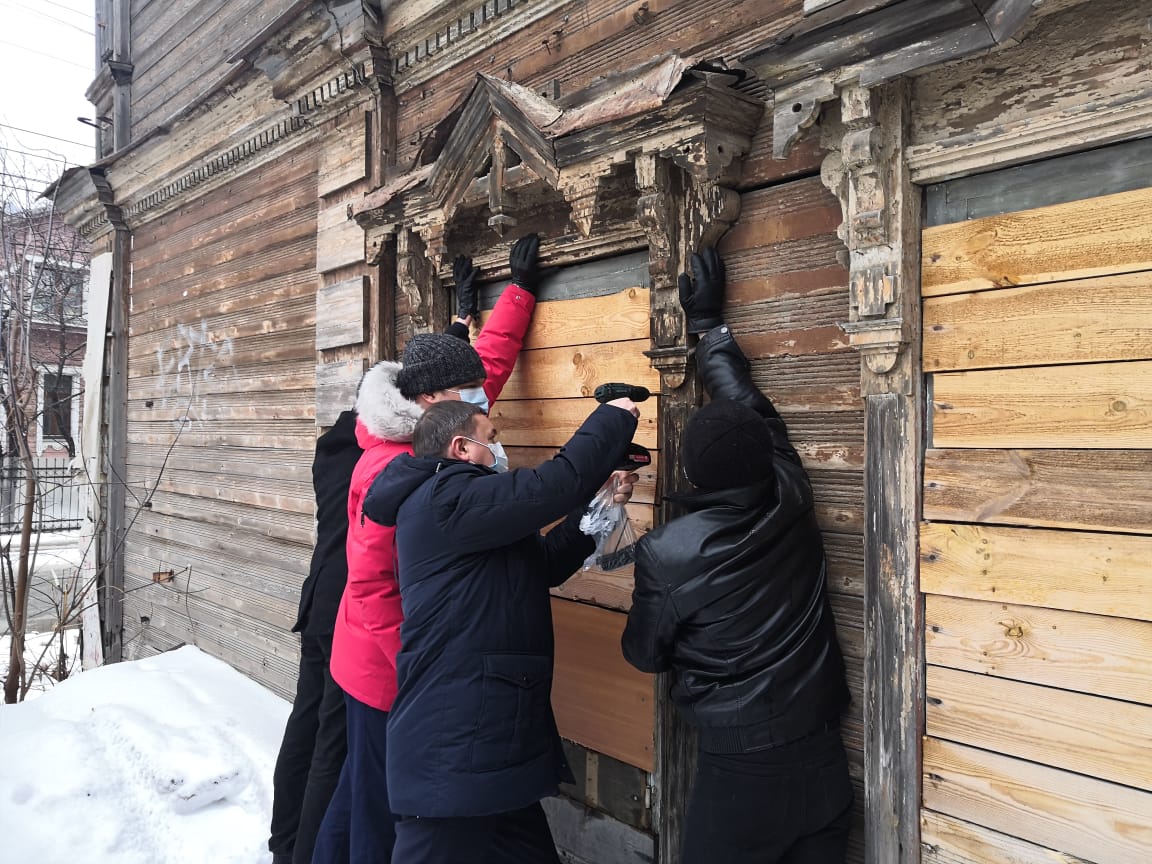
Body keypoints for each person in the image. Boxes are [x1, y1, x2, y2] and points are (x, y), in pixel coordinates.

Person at [313, 235, 544, 864]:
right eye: (466, 397)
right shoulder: (391, 469)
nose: (480, 402)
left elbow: (482, 371)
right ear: (430, 404)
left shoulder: (441, 423)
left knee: (358, 794)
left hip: (400, 666)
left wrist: (517, 292)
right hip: (386, 666)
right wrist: (413, 676)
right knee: (379, 810)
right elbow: (373, 587)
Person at [621, 248, 853, 864]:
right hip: (823, 756)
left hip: (740, 775)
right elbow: (749, 405)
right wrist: (711, 330)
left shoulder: (668, 552)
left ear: (694, 474)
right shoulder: (789, 489)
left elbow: (643, 653)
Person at [360, 396, 640, 864]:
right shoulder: (446, 497)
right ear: (461, 448)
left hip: (489, 738)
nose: (499, 448)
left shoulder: (466, 509)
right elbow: (557, 484)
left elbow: (543, 565)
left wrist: (598, 507)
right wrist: (614, 416)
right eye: (491, 438)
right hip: (458, 741)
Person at [268, 409, 361, 864]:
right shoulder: (376, 455)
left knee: (304, 727)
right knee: (332, 741)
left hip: (319, 600)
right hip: (345, 610)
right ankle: (306, 854)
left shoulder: (334, 446)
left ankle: (284, 844)